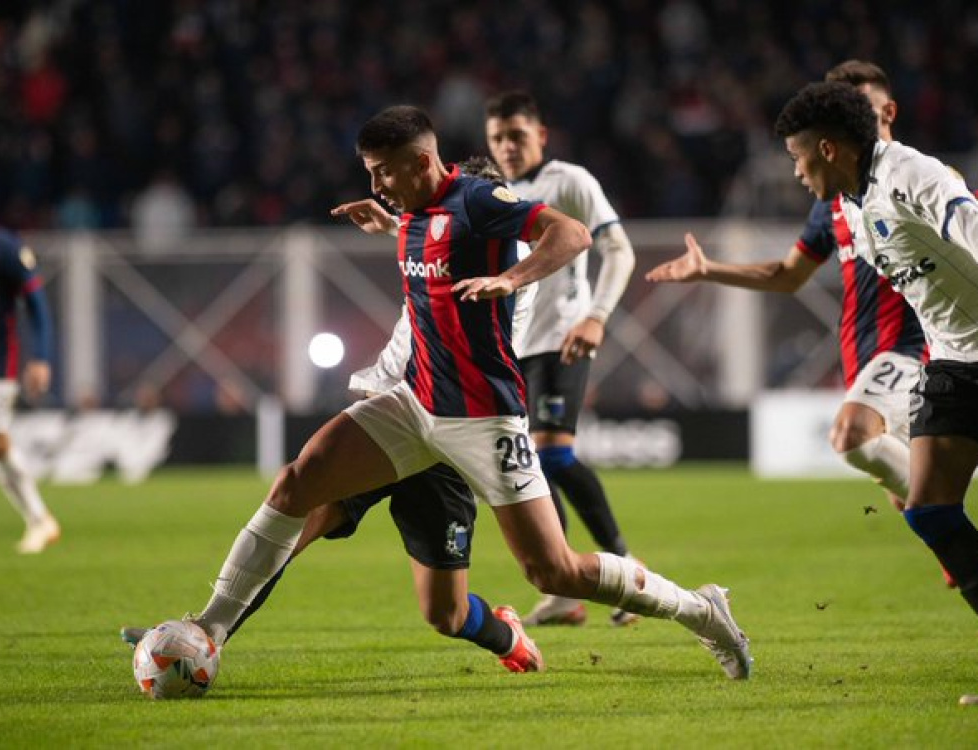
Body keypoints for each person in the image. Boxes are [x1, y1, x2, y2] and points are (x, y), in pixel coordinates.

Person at [144, 105, 752, 681]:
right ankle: (208, 629)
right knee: (297, 483)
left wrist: (508, 277)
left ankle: (701, 611)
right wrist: (389, 224)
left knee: (553, 570)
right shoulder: (413, 213)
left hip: (483, 417)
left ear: (420, 162)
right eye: (371, 174)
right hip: (412, 404)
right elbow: (430, 238)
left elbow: (571, 235)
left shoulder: (479, 199)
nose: (379, 183)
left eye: (385, 172)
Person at [124, 158, 547, 674]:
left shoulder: (511, 272)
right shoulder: (438, 241)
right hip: (387, 414)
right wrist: (395, 224)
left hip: (446, 440)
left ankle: (507, 636)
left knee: (445, 612)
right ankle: (205, 633)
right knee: (297, 511)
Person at [645, 61, 947, 576]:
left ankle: (951, 525)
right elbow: (788, 275)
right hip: (864, 354)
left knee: (858, 439)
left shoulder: (918, 179)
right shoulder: (833, 203)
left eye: (864, 113)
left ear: (887, 113)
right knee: (907, 497)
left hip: (915, 347)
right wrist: (709, 268)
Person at [773, 81, 978, 695]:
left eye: (797, 156)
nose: (795, 171)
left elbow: (967, 222)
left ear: (829, 149)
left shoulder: (912, 173)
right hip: (953, 360)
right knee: (929, 510)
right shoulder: (855, 205)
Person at [484, 91, 642, 626]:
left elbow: (618, 248)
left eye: (517, 136)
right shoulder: (494, 192)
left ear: (541, 136)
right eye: (497, 138)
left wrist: (595, 315)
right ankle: (565, 587)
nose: (507, 146)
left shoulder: (568, 180)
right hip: (515, 347)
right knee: (532, 463)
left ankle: (625, 567)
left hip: (562, 337)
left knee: (552, 455)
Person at [0, 182, 58, 554]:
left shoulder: (4, 249)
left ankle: (40, 520)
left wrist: (40, 356)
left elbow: (37, 305)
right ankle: (41, 519)